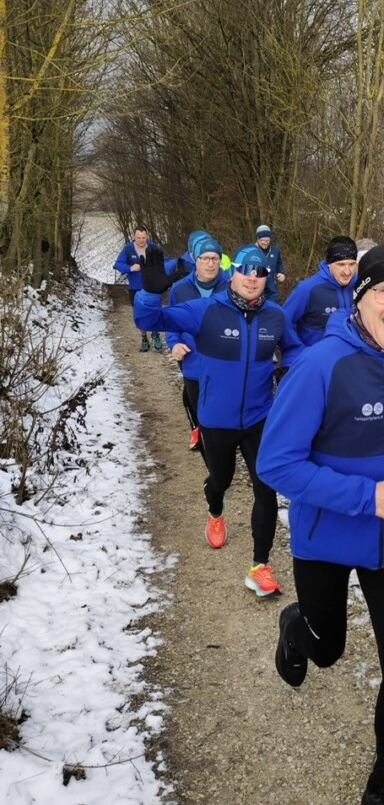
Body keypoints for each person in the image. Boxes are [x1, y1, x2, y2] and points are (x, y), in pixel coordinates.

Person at [257, 243, 384, 805]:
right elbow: (276, 463)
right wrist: (369, 497)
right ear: (358, 299)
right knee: (329, 649)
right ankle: (296, 626)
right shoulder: (320, 366)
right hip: (327, 540)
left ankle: (382, 789)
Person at [133, 244, 303, 596]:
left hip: (260, 417)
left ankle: (259, 566)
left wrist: (288, 369)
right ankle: (214, 507)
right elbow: (149, 321)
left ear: (266, 277)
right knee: (220, 480)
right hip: (216, 419)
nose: (253, 278)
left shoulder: (275, 315)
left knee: (265, 488)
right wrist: (149, 293)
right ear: (232, 272)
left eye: (260, 272)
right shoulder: (205, 310)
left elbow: (294, 348)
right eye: (246, 270)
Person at [165, 235, 229, 455]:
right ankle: (208, 451)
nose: (210, 263)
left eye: (215, 258)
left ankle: (220, 451)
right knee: (201, 416)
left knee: (223, 415)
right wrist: (174, 344)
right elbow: (172, 323)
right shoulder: (179, 289)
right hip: (193, 363)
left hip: (225, 363)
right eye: (205, 258)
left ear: (220, 260)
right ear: (195, 260)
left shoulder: (232, 285)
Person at [282, 235, 358, 345]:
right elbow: (282, 322)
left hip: (351, 355)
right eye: (341, 264)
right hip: (315, 354)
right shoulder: (308, 288)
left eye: (351, 264)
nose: (347, 271)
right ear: (329, 264)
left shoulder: (361, 286)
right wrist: (296, 350)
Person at [113, 226, 175, 352]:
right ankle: (144, 338)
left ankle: (155, 334)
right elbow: (118, 264)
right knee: (140, 314)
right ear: (134, 237)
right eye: (138, 238)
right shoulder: (128, 249)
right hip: (136, 287)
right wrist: (130, 268)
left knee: (155, 311)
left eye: (143, 238)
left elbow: (166, 262)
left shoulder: (154, 248)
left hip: (154, 287)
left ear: (147, 236)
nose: (141, 240)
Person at [254, 224, 286, 302]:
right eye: (263, 240)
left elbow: (279, 263)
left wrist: (281, 273)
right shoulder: (251, 251)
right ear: (257, 239)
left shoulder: (275, 250)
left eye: (267, 240)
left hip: (272, 290)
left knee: (272, 306)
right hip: (256, 288)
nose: (265, 243)